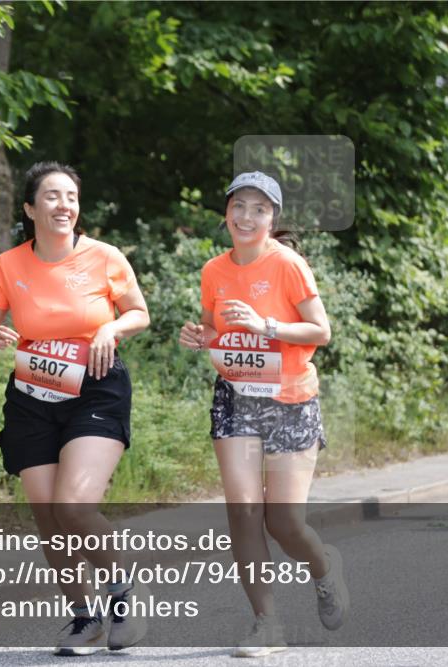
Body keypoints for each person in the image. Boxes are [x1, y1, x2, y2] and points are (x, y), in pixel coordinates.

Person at [0, 162, 151, 656]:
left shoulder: (104, 256)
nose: (63, 205)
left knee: (74, 506)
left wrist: (111, 329)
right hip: (32, 393)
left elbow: (139, 312)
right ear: (30, 209)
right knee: (49, 515)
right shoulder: (9, 265)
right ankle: (84, 619)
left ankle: (124, 594)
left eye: (70, 195)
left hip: (95, 386)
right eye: (51, 196)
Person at [178, 171, 349, 657]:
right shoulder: (214, 270)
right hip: (236, 397)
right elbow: (217, 330)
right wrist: (202, 337)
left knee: (284, 522)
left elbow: (321, 331)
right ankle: (265, 622)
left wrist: (267, 324)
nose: (247, 216)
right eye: (239, 206)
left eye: (259, 208)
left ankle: (323, 568)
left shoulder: (288, 265)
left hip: (291, 399)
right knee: (244, 513)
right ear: (226, 213)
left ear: (272, 219)